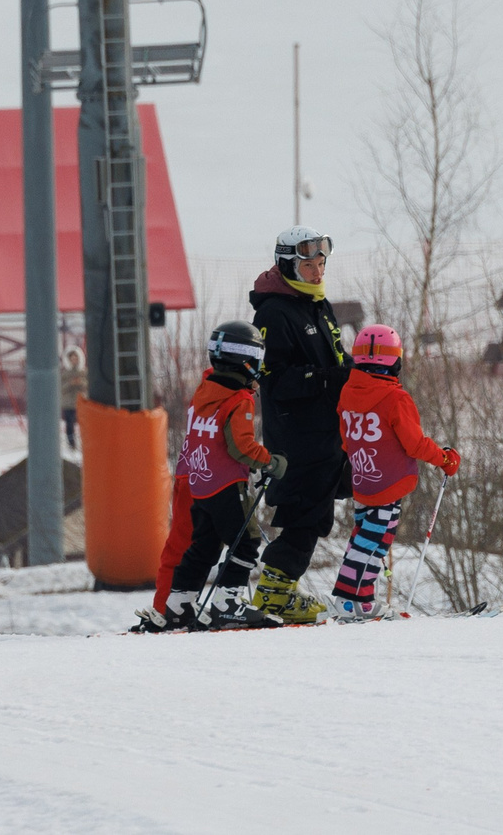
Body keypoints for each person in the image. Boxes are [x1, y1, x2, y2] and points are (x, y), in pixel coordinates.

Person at [137, 322, 281, 634]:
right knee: (246, 541)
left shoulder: (205, 390)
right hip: (226, 485)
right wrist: (269, 461)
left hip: (197, 482)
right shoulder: (239, 399)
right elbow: (241, 446)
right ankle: (227, 604)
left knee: (203, 545)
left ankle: (177, 605)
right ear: (245, 361)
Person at [247, 227, 350, 625]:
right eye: (309, 265)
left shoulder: (317, 304)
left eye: (321, 263)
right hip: (298, 435)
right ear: (288, 265)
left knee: (364, 492)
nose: (317, 271)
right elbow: (274, 380)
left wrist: (361, 372)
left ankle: (351, 583)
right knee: (305, 514)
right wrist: (326, 379)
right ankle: (275, 591)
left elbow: (337, 356)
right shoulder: (273, 312)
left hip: (329, 430)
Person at [329, 323, 460, 619]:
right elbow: (415, 444)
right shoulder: (396, 398)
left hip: (362, 479)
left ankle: (359, 598)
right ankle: (351, 599)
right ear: (395, 361)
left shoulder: (348, 391)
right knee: (374, 541)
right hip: (389, 482)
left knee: (366, 536)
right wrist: (444, 458)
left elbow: (345, 438)